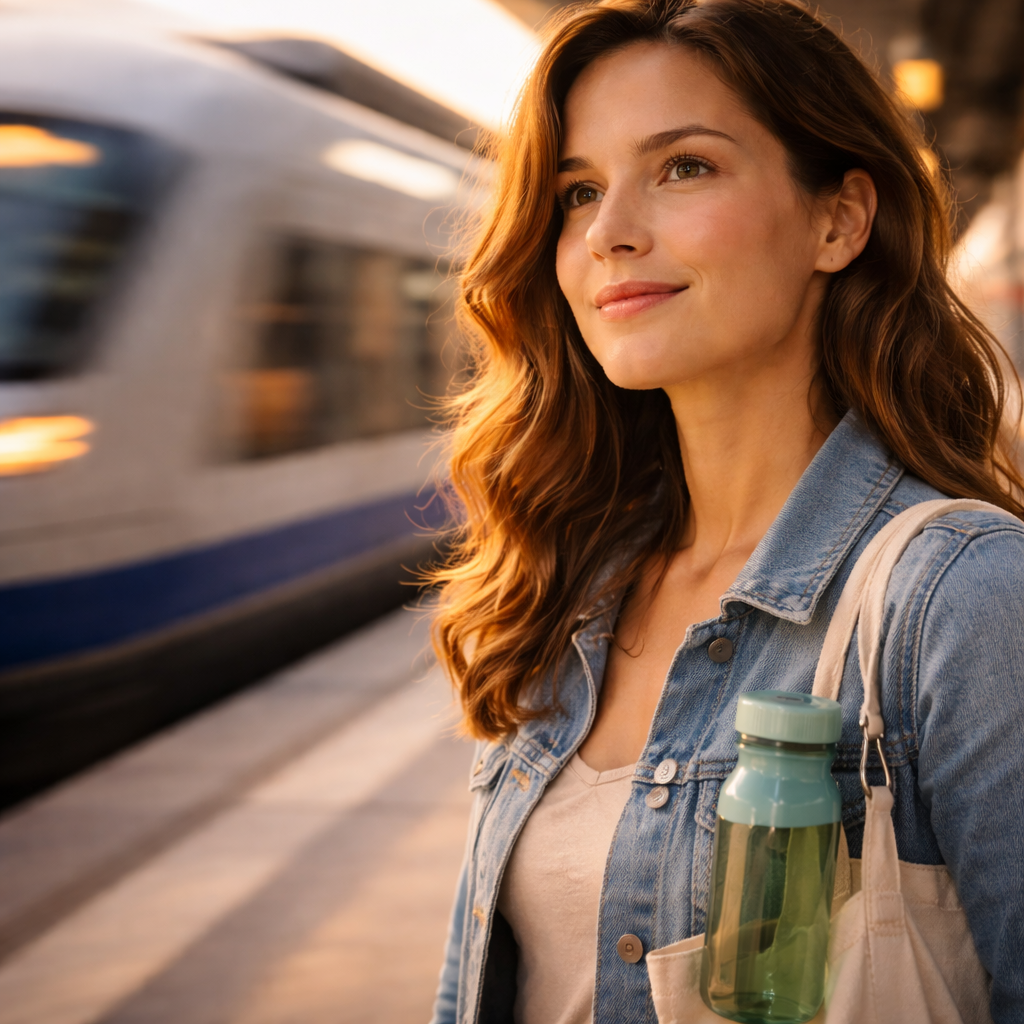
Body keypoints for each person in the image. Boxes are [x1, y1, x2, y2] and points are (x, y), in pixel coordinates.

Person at [428, 1, 1024, 1022]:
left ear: (837, 220)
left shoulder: (959, 596)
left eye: (682, 167)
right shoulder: (572, 582)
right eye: (577, 192)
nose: (609, 232)